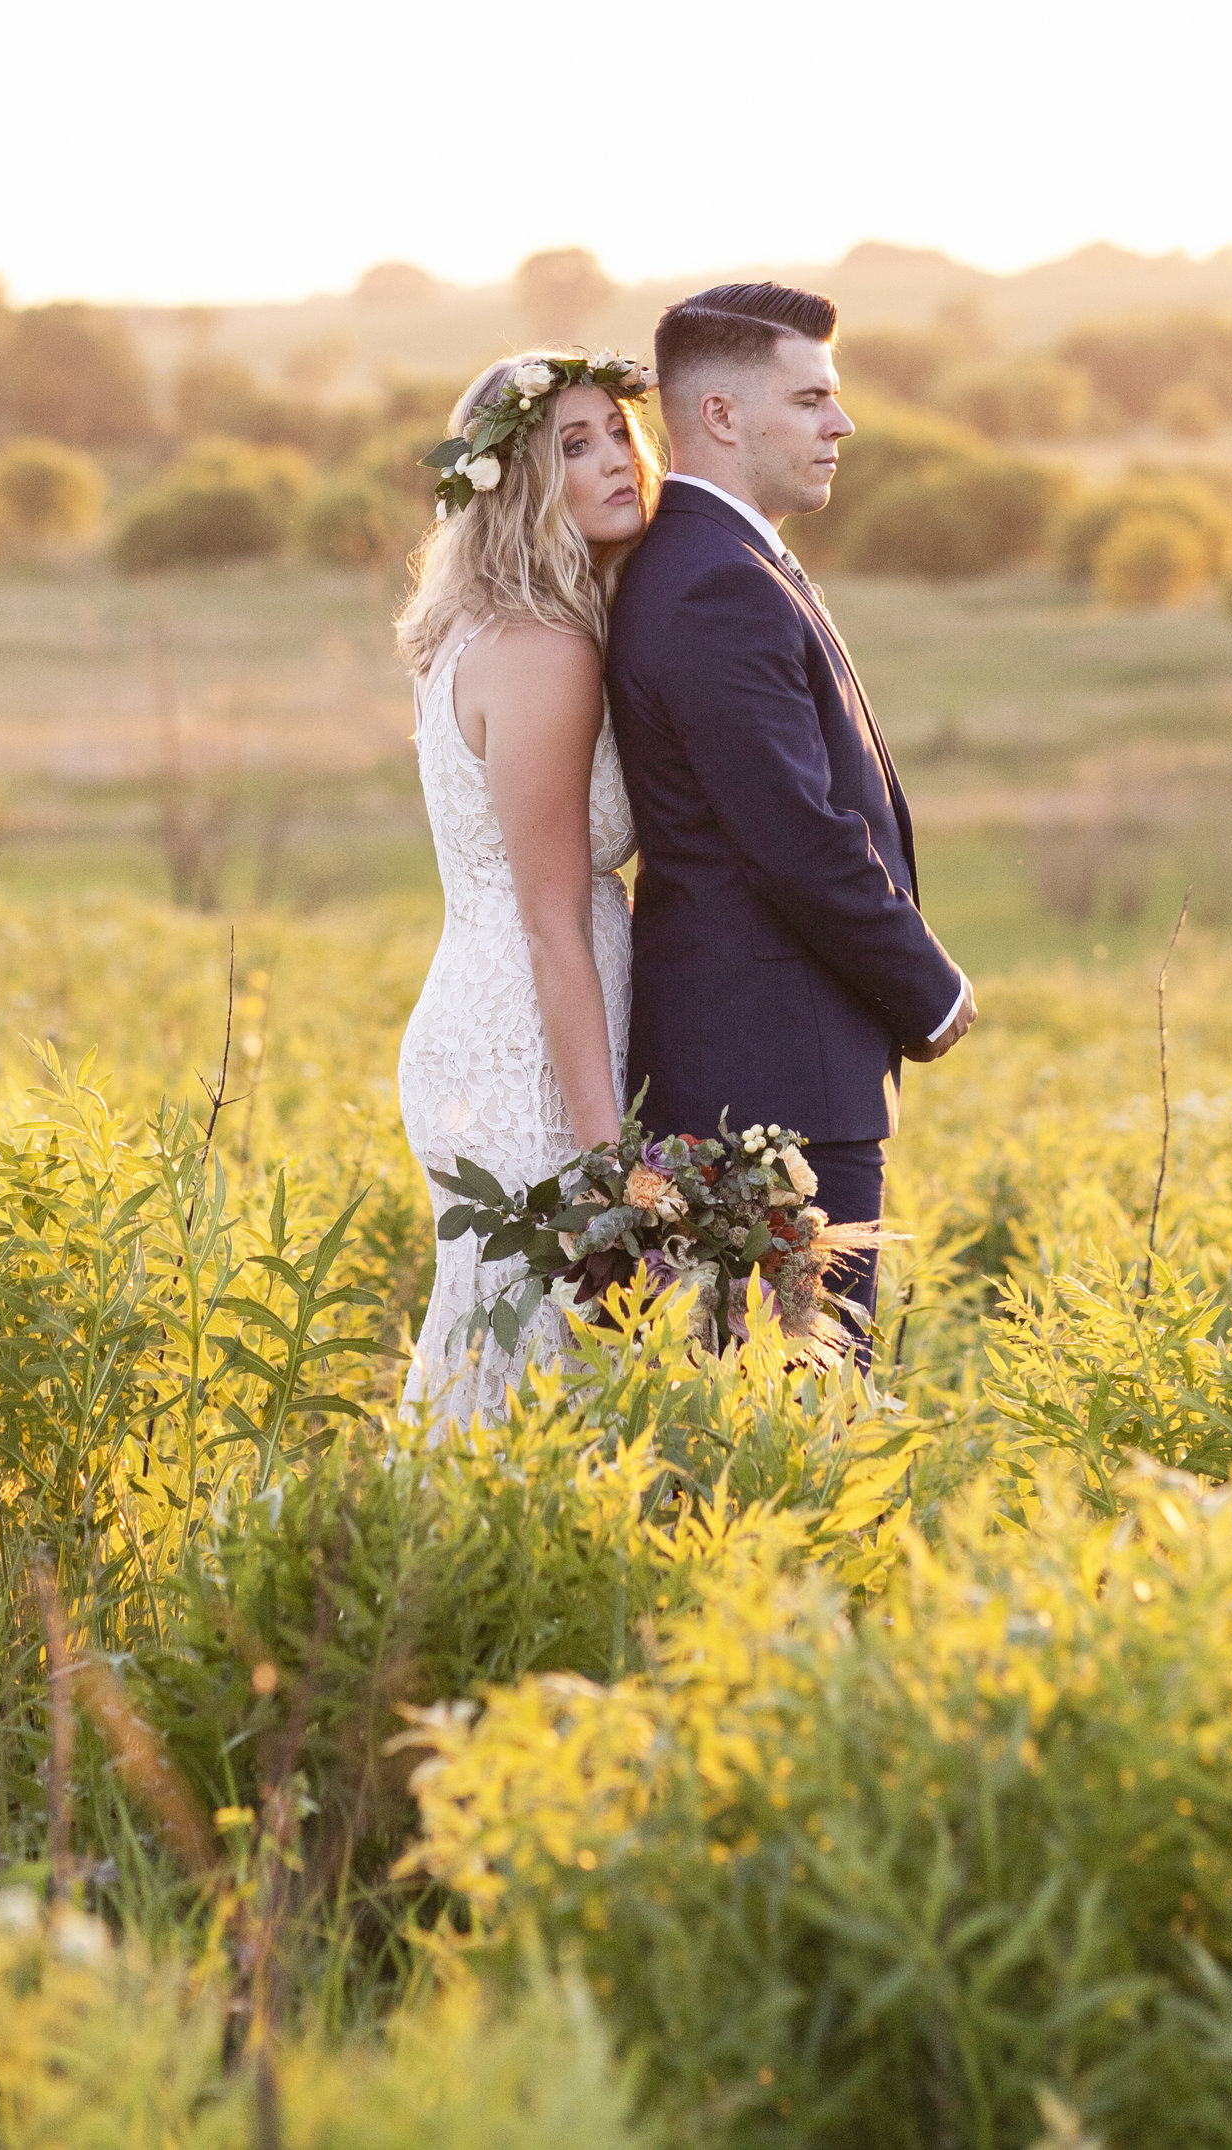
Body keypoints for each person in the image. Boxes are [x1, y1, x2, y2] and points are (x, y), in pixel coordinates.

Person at [606, 279, 975, 1332]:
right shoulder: (713, 583)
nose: (841, 422)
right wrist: (931, 990)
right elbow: (794, 839)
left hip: (774, 1065)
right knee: (804, 1404)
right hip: (768, 1075)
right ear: (720, 415)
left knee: (782, 1402)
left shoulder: (721, 562)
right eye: (811, 398)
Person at [392, 346, 659, 1425]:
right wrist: (612, 1168)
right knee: (541, 1364)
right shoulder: (547, 648)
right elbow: (553, 923)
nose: (615, 461)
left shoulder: (477, 627)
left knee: (501, 1350)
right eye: (573, 445)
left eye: (618, 435)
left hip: (485, 1013)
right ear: (513, 483)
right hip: (525, 1050)